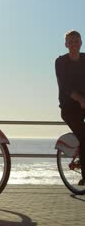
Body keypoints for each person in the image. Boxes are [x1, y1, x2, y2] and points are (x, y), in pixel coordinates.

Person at [55, 30, 85, 186]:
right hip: (69, 107)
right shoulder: (61, 62)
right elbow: (65, 86)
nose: (74, 44)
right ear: (66, 44)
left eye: (76, 41)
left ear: (81, 42)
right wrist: (80, 99)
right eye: (71, 42)